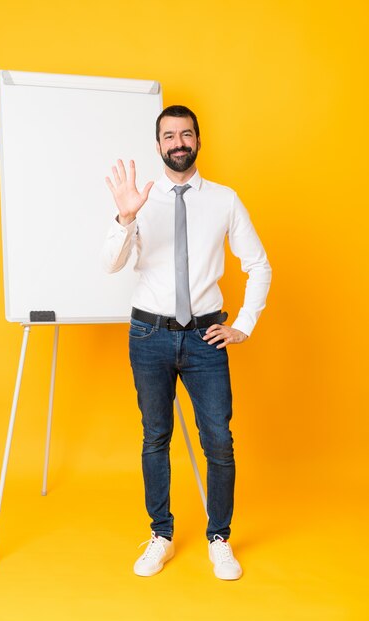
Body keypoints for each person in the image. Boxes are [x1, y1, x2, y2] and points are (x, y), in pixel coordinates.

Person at [102, 105, 272, 580]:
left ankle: (219, 538)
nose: (178, 142)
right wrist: (124, 217)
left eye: (186, 134)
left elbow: (259, 265)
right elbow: (111, 264)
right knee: (155, 437)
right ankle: (161, 535)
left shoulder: (224, 199)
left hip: (205, 337)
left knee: (218, 440)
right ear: (158, 145)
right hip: (149, 334)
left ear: (198, 141)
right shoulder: (139, 201)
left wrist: (243, 324)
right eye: (169, 136)